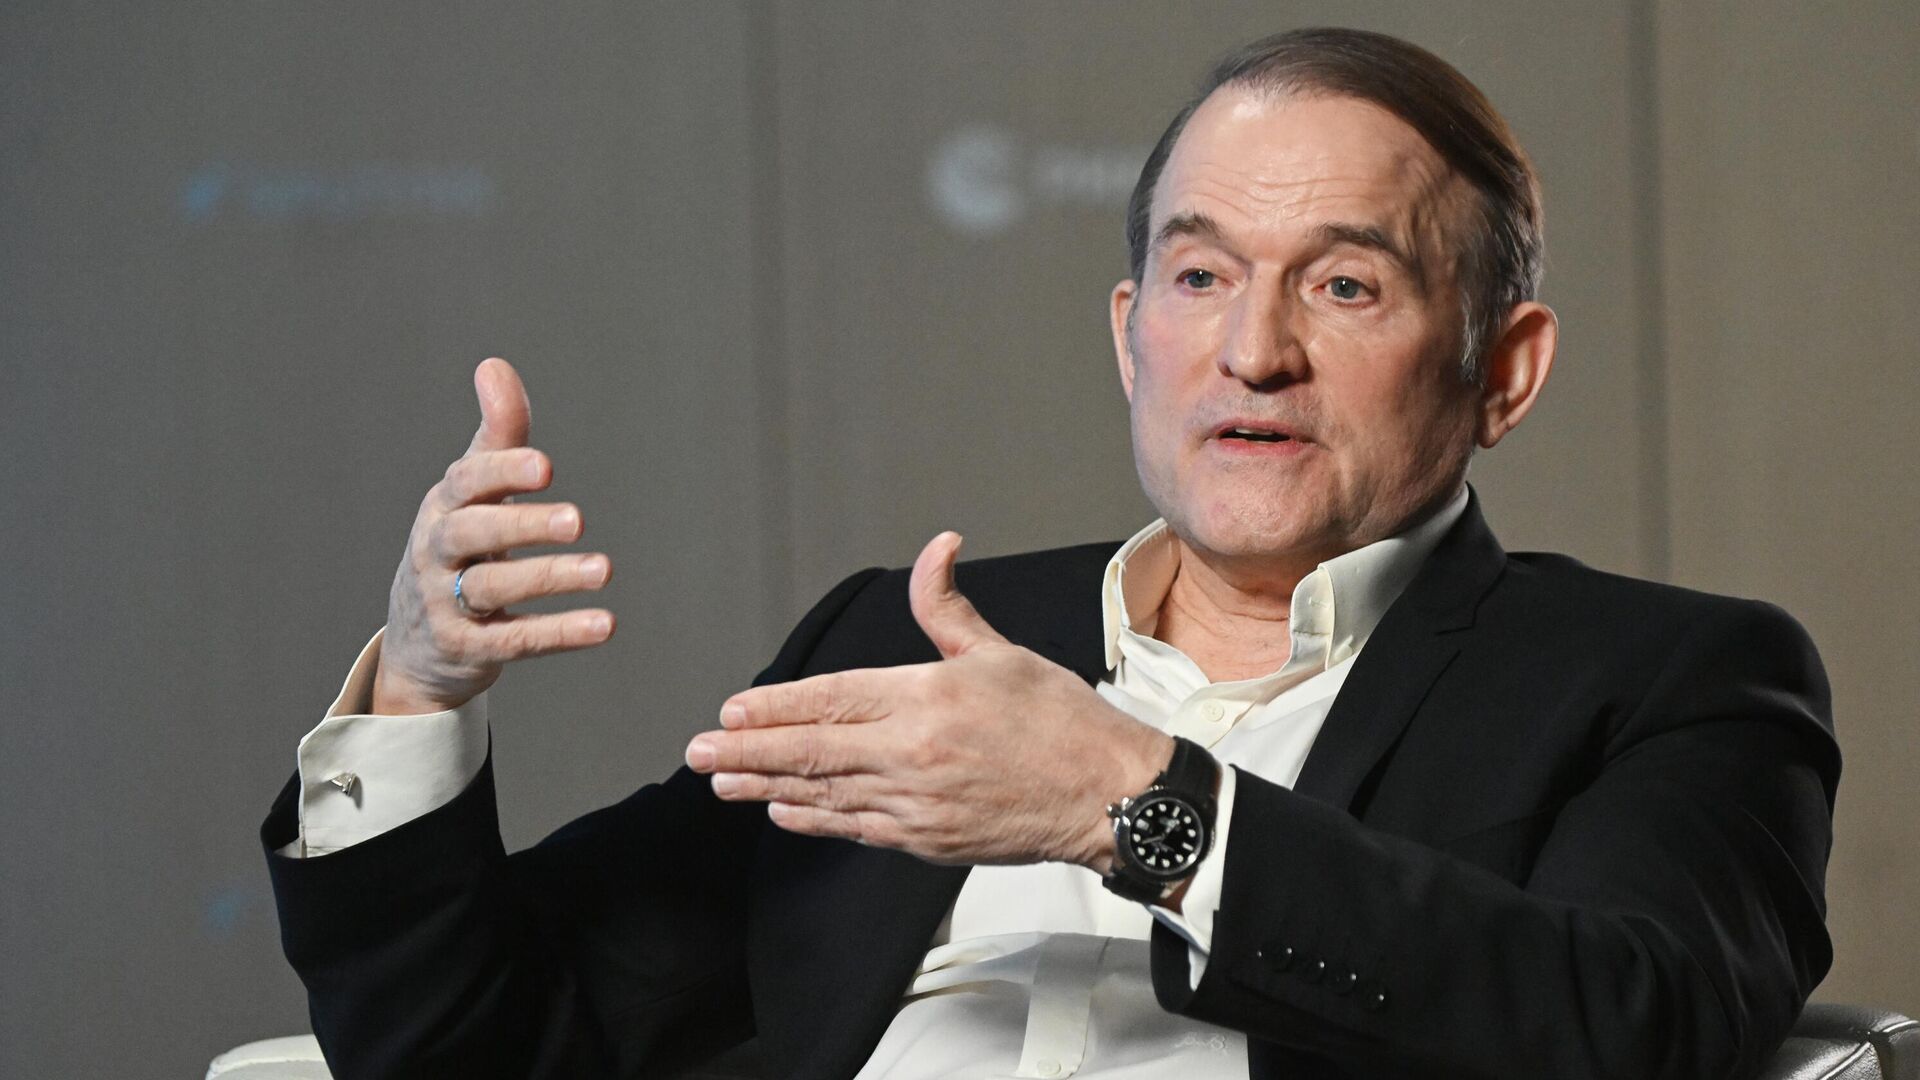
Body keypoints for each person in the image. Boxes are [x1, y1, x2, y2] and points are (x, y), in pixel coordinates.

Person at [263, 27, 1839, 1080]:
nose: (1254, 352)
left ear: (1505, 368)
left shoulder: (1669, 679)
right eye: (1201, 277)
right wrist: (419, 694)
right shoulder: (913, 640)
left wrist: (1134, 807)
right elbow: (474, 1043)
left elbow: (1636, 1032)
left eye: (1344, 287)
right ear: (1129, 334)